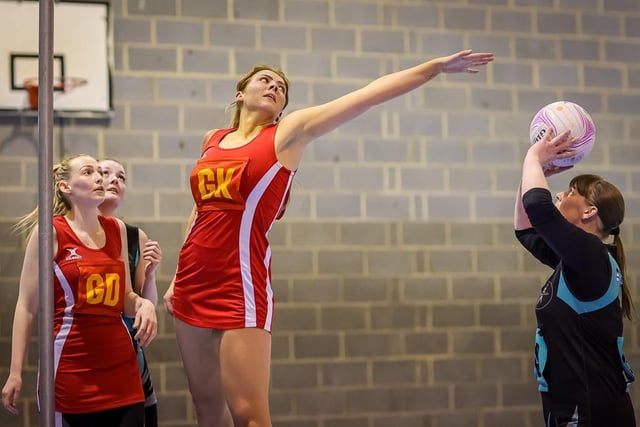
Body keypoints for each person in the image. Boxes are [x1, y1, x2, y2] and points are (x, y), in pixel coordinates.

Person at [163, 49, 494, 427]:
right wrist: (176, 275)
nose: (274, 86)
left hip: (239, 285)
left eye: (282, 87)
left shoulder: (288, 134)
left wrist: (434, 68)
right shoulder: (213, 139)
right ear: (241, 94)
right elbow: (201, 209)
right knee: (206, 408)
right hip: (190, 282)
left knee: (249, 415)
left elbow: (369, 94)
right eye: (265, 80)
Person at [1, 154, 158, 427]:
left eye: (100, 171)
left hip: (123, 373)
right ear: (66, 187)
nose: (99, 177)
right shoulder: (50, 232)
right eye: (88, 172)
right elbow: (26, 306)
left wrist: (144, 305)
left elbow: (124, 298)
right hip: (72, 372)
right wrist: (15, 372)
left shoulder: (117, 229)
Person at [514, 130, 635, 426]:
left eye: (569, 192)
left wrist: (534, 156)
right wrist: (534, 170)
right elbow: (526, 229)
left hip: (592, 412)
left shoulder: (591, 255)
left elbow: (539, 209)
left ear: (590, 211)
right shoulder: (579, 261)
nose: (559, 194)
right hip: (575, 408)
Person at [98, 159, 162, 427]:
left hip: (127, 354)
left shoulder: (136, 237)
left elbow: (143, 302)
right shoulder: (64, 232)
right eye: (104, 173)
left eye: (121, 177)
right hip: (85, 354)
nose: (115, 180)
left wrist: (151, 274)